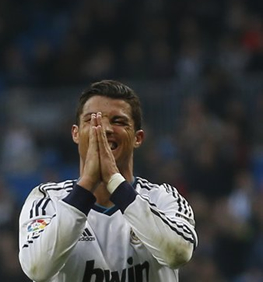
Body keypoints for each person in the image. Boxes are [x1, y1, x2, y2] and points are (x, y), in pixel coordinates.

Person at [18, 80, 197, 282]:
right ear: (75, 134)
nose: (104, 129)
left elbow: (178, 254)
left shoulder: (164, 198)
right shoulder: (47, 200)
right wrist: (86, 185)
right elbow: (36, 268)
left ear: (138, 138)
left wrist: (114, 181)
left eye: (118, 121)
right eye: (92, 120)